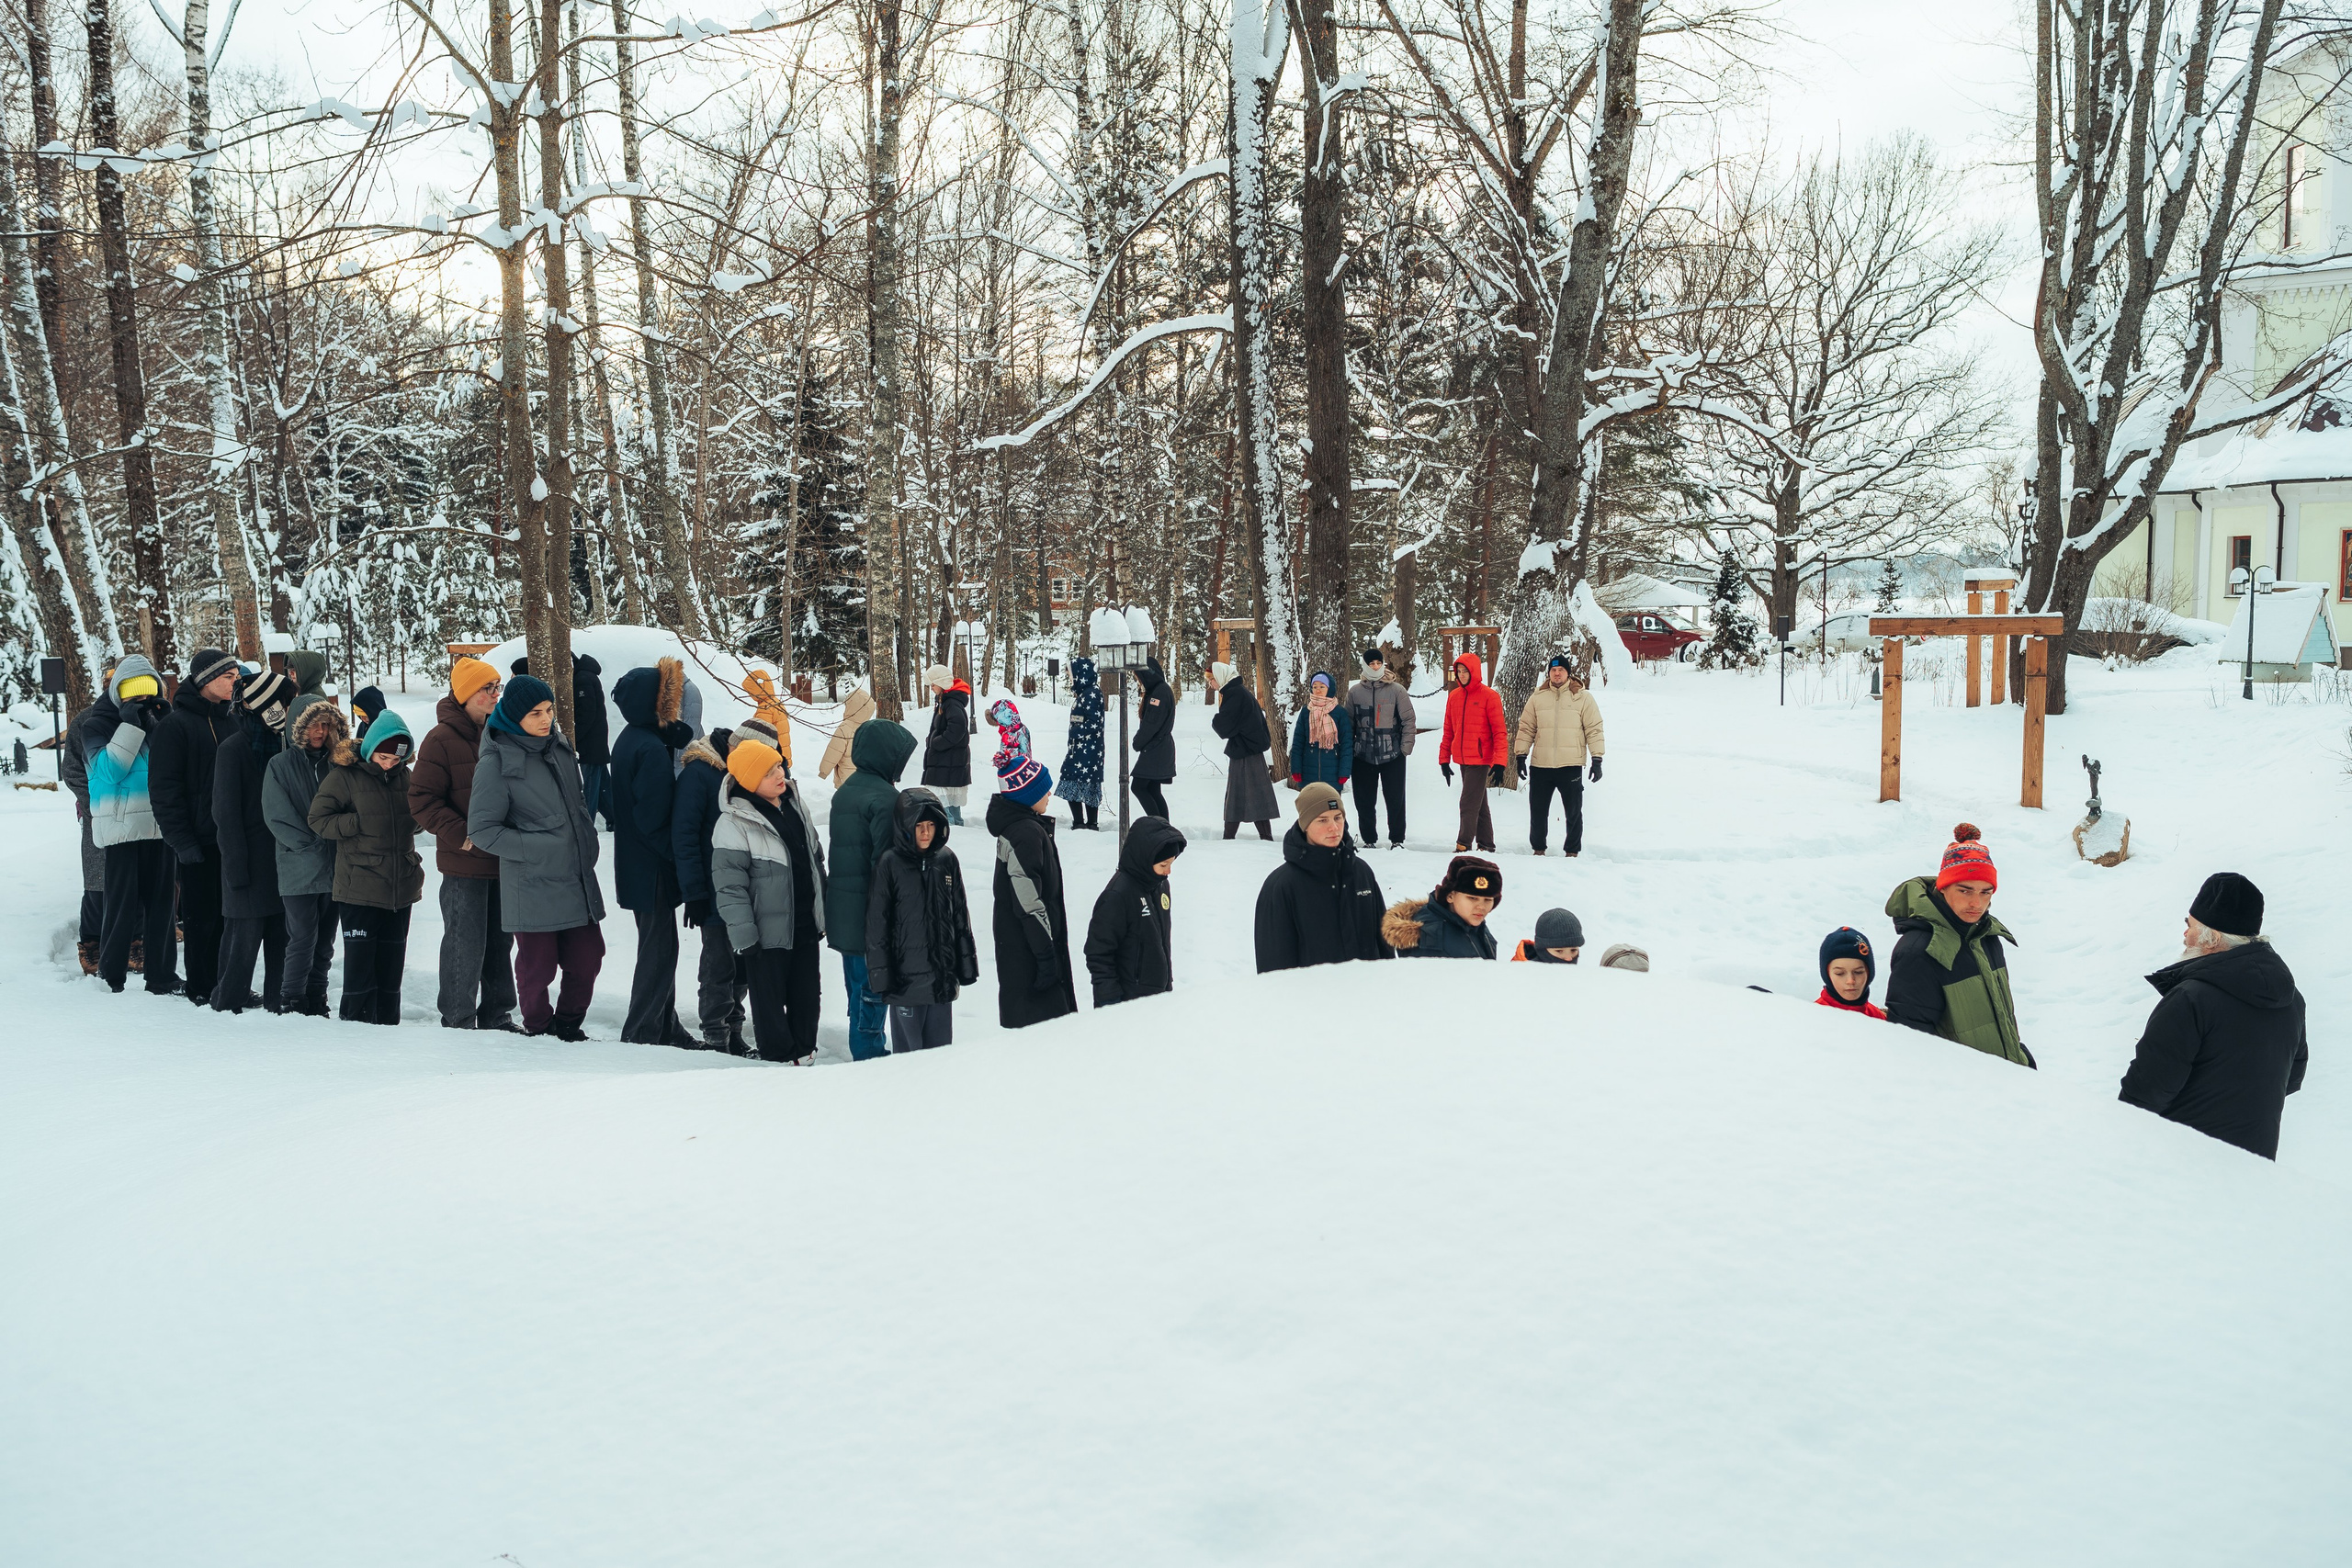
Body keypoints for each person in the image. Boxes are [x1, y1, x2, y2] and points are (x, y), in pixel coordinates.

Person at [2119, 874, 2308, 1159]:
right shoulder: (2291, 1000)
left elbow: (2143, 1095)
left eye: (2190, 926)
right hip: (2255, 1166)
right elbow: (2291, 1080)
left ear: (2213, 938)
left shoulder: (2189, 999)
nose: (2185, 935)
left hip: (2182, 1165)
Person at [468, 675, 607, 1040]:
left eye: (549, 710)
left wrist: (585, 841)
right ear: (515, 717)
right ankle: (541, 1033)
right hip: (531, 885)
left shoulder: (559, 747)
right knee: (537, 970)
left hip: (576, 877)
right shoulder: (495, 762)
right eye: (535, 713)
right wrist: (536, 850)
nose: (546, 719)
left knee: (588, 958)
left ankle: (568, 1026)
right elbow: (482, 830)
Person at [409, 657, 519, 1032]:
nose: (494, 694)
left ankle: (498, 1013)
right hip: (464, 863)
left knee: (500, 944)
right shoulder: (440, 740)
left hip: (504, 859)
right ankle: (458, 1018)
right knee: (463, 943)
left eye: (497, 687)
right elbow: (422, 800)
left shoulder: (503, 733)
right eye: (487, 688)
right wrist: (464, 838)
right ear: (466, 694)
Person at [709, 737, 830, 1064]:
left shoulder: (795, 804)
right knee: (769, 1001)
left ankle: (805, 1053)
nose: (779, 774)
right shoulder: (733, 823)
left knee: (808, 996)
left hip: (804, 923)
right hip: (765, 934)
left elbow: (815, 859)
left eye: (778, 765)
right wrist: (744, 934)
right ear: (749, 781)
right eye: (768, 773)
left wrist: (823, 907)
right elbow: (729, 886)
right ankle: (777, 1060)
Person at [308, 709, 425, 1024]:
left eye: (396, 759)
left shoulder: (405, 777)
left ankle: (388, 1026)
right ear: (371, 749)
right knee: (361, 970)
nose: (389, 764)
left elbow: (415, 818)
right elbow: (318, 819)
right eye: (383, 757)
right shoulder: (345, 776)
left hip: (400, 886)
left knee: (391, 968)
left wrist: (414, 823)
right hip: (359, 886)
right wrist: (358, 823)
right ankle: (356, 1030)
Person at [1884, 824, 2031, 1066]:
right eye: (1965, 890)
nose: (1977, 903)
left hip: (2007, 1082)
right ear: (1943, 887)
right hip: (1963, 1093)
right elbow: (1910, 1050)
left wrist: (2020, 1058)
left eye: (1986, 892)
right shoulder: (1920, 952)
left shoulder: (1988, 936)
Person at [608, 659, 695, 1046]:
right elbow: (652, 818)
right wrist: (677, 859)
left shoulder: (633, 737)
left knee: (660, 948)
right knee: (658, 954)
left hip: (638, 864)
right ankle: (642, 1033)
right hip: (652, 868)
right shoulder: (647, 750)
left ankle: (664, 1025)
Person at [149, 646, 241, 1004]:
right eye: (227, 677)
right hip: (197, 843)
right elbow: (164, 792)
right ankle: (202, 987)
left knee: (232, 920)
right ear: (204, 681)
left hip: (233, 840)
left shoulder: (232, 720)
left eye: (236, 676)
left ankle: (227, 982)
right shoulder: (175, 726)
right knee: (202, 921)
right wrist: (182, 842)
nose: (235, 683)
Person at [84, 657, 179, 994]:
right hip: (122, 830)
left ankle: (162, 975)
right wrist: (130, 726)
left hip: (160, 826)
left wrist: (168, 725)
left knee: (164, 906)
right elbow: (109, 771)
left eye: (148, 691)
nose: (140, 700)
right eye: (131, 691)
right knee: (121, 906)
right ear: (117, 692)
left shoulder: (160, 722)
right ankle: (111, 975)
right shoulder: (95, 726)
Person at [825, 716, 917, 1061]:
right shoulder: (885, 799)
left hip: (845, 912)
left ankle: (864, 1042)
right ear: (886, 757)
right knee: (873, 987)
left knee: (856, 984)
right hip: (871, 916)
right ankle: (868, 1054)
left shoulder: (846, 792)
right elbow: (887, 865)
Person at [864, 787, 981, 1051]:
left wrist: (966, 966)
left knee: (940, 1054)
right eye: (919, 826)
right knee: (909, 1056)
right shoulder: (890, 864)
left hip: (941, 981)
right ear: (905, 827)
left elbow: (960, 915)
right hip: (906, 984)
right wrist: (882, 977)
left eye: (931, 825)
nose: (926, 832)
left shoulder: (947, 860)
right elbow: (877, 926)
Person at [209, 670, 295, 1013]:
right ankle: (226, 1005)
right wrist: (235, 869)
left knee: (282, 942)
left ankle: (279, 1003)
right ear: (269, 706)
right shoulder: (234, 749)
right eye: (285, 702)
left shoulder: (286, 744)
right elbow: (225, 815)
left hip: (283, 862)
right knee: (240, 946)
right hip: (246, 864)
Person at [1252, 783, 1392, 972]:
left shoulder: (1361, 872)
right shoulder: (1282, 885)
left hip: (1366, 994)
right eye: (1322, 820)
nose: (1334, 827)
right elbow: (1273, 966)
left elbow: (1384, 944)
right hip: (1313, 998)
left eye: (1338, 817)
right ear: (1306, 825)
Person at [264, 700, 345, 1016]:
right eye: (313, 724)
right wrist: (310, 845)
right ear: (298, 726)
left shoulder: (339, 763)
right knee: (302, 937)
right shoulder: (280, 765)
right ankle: (292, 998)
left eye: (326, 725)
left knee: (325, 940)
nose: (320, 731)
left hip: (335, 865)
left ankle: (316, 996)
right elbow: (277, 816)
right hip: (298, 867)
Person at [987, 751, 1078, 1028]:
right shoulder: (1025, 834)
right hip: (1028, 955)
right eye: (1043, 789)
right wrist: (1046, 957)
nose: (1049, 793)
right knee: (1041, 1038)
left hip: (1025, 949)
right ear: (1027, 796)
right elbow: (1029, 904)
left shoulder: (1025, 827)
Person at [673, 728, 749, 1053]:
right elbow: (685, 836)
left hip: (742, 890)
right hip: (711, 887)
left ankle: (734, 1031)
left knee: (742, 966)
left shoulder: (740, 772)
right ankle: (715, 1035)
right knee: (718, 965)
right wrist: (694, 893)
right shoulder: (699, 774)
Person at [1083, 816, 1187, 1009]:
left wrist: (1167, 984)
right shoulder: (1117, 896)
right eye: (1164, 865)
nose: (1169, 871)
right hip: (1126, 1002)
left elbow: (1161, 941)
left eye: (1171, 864)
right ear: (1145, 859)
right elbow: (1099, 953)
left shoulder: (1160, 885)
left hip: (1156, 995)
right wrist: (1110, 1003)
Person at [1514, 656, 1604, 857]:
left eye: (1561, 670)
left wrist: (1597, 759)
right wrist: (1521, 755)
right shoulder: (1538, 697)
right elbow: (1526, 727)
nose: (1557, 674)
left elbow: (1594, 729)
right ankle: (1538, 849)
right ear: (1549, 673)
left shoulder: (1583, 697)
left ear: (1568, 673)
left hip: (1570, 764)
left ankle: (1572, 851)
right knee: (1538, 812)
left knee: (1573, 812)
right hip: (1541, 765)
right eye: (1553, 671)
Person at [1346, 646, 1415, 849]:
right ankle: (1369, 839)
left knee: (1395, 799)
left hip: (1392, 755)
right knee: (1364, 801)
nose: (1375, 666)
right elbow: (1348, 724)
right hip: (1362, 756)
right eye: (1371, 663)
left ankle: (1397, 839)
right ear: (1365, 666)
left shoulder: (1396, 690)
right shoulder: (1355, 692)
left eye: (1378, 662)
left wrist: (1404, 749)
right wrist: (1350, 750)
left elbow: (1409, 721)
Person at [1438, 651, 1506, 853]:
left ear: (1474, 671)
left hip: (1481, 758)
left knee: (1468, 802)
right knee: (1479, 803)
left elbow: (1500, 732)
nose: (1462, 675)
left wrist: (1500, 762)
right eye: (1459, 671)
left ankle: (1463, 844)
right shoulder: (1454, 696)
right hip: (1462, 758)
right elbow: (1448, 729)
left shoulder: (1490, 696)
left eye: (1465, 671)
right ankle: (1486, 844)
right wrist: (1444, 760)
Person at [62, 681, 106, 974]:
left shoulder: (151, 716)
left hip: (143, 817)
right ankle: (91, 944)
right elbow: (72, 770)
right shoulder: (86, 720)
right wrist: (95, 804)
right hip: (99, 817)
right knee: (97, 882)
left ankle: (136, 942)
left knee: (140, 883)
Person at [1208, 661, 1276, 840]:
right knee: (1254, 795)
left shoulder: (1235, 694)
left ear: (1221, 677)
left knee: (1240, 795)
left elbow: (1224, 726)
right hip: (1249, 750)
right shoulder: (1237, 692)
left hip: (1246, 752)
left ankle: (1230, 838)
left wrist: (1215, 719)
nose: (1210, 684)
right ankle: (1263, 836)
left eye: (1212, 679)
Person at [1386, 854, 1502, 959]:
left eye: (1488, 900)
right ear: (1450, 896)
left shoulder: (1470, 921)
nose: (1481, 907)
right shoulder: (1431, 939)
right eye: (1472, 898)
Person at [1054, 657, 1105, 829]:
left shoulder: (1091, 693)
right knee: (1075, 780)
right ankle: (1081, 822)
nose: (1070, 678)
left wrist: (1076, 732)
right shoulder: (1085, 693)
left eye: (1071, 674)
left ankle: (1088, 823)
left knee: (1082, 782)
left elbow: (1094, 723)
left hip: (1088, 751)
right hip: (1080, 749)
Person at [920, 663, 974, 825]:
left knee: (944, 806)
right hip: (948, 762)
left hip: (947, 762)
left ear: (941, 684)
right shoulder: (947, 701)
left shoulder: (951, 704)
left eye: (933, 684)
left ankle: (951, 830)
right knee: (949, 802)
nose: (931, 688)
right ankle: (955, 825)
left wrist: (935, 743)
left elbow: (956, 731)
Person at [1288, 671, 1352, 793]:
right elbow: (1298, 743)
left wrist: (1344, 772)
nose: (1318, 690)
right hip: (1308, 773)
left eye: (1322, 687)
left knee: (1331, 810)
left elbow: (1347, 745)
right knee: (1310, 810)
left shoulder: (1339, 712)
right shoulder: (1306, 712)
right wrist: (1296, 769)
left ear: (1329, 688)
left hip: (1333, 774)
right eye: (1315, 687)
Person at [1130, 655, 1177, 820]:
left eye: (1140, 676)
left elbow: (1152, 723)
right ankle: (1162, 825)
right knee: (1152, 789)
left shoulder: (1159, 692)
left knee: (1138, 786)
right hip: (1158, 747)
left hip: (1156, 748)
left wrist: (1138, 742)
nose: (1139, 681)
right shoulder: (1158, 690)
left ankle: (1159, 825)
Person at [571, 652, 614, 829]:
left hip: (590, 741)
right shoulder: (585, 675)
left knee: (590, 786)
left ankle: (585, 826)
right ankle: (615, 817)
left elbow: (586, 713)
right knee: (601, 782)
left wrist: (574, 737)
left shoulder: (582, 679)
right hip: (595, 739)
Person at [1815, 927, 1887, 1018]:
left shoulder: (1878, 1018)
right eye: (1839, 973)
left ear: (1869, 973)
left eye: (1858, 972)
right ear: (1827, 975)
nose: (1851, 981)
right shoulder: (1813, 1020)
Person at [816, 682, 875, 788]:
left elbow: (834, 750)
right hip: (867, 777)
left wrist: (824, 771)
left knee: (848, 801)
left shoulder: (845, 727)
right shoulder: (870, 728)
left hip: (847, 778)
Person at [282, 648, 332, 739]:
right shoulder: (301, 692)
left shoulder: (315, 698)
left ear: (307, 672)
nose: (290, 674)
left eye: (294, 670)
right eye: (290, 670)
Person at [1510, 908, 1583, 964]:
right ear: (1542, 950)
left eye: (1573, 950)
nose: (1569, 958)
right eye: (1559, 951)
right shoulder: (1517, 978)